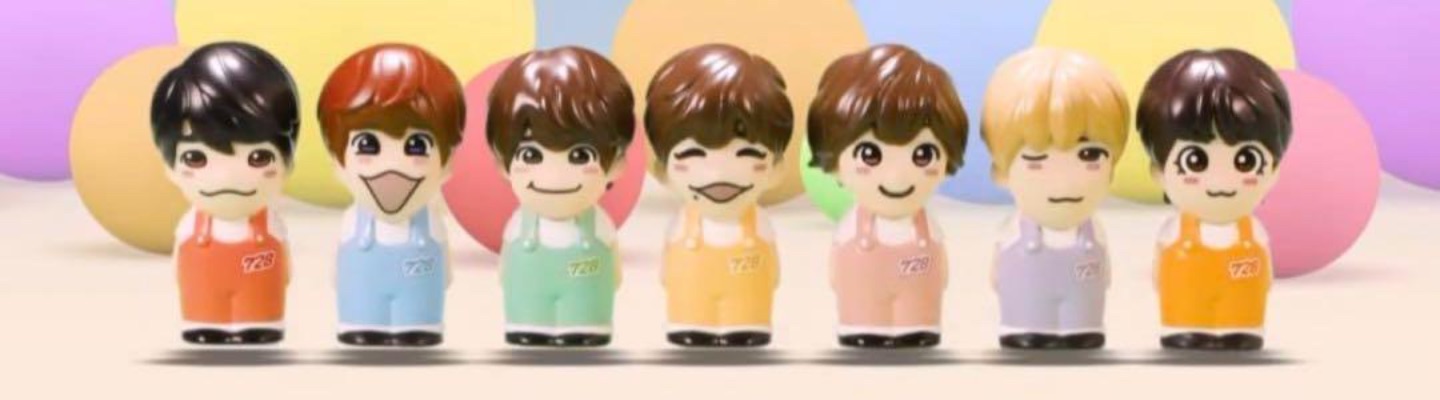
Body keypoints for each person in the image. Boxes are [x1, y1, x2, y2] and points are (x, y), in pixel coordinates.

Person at [807, 44, 968, 348]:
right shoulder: (850, 229)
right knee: (863, 318)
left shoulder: (928, 229)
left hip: (920, 307)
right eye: (870, 154)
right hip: (861, 306)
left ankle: (918, 327)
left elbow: (942, 272)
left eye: (923, 154)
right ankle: (863, 327)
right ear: (835, 161)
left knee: (918, 319)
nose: (897, 177)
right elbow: (836, 272)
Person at [1137, 49, 1292, 351]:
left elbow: (1266, 276)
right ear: (1159, 172)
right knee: (1186, 323)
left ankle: (1241, 330)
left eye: (1246, 161)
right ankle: (1186, 330)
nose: (1221, 181)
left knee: (1241, 323)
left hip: (1243, 312)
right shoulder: (1173, 233)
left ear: (1273, 171)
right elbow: (1159, 273)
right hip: (1184, 312)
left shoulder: (1254, 233)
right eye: (1195, 161)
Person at [318, 44, 466, 347]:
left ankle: (417, 326)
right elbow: (337, 270)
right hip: (360, 304)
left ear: (447, 163)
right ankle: (363, 325)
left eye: (417, 146)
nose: (392, 166)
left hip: (420, 306)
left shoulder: (431, 224)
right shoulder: (351, 222)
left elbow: (445, 272)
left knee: (418, 324)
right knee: (362, 321)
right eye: (367, 145)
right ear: (338, 161)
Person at [981, 48, 1129, 350]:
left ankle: (1081, 329)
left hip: (1084, 307)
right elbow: (997, 274)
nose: (1065, 180)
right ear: (1001, 172)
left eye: (1089, 155)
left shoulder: (1094, 233)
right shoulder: (1012, 233)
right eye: (1037, 158)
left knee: (1083, 322)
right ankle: (1027, 328)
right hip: (1024, 309)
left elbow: (1105, 273)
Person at [151, 42, 299, 345]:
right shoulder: (190, 226)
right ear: (170, 167)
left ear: (287, 163)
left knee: (259, 317)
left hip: (260, 297)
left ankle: (258, 324)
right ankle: (205, 324)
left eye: (259, 157)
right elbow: (178, 266)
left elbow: (285, 268)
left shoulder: (270, 225)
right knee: (204, 319)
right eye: (196, 158)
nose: (227, 177)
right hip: (202, 298)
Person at [645, 44, 793, 347]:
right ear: (663, 171)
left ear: (776, 169)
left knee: (747, 319)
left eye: (747, 154)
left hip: (749, 302)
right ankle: (692, 325)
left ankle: (746, 324)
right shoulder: (680, 224)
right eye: (693, 154)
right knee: (690, 320)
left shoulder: (760, 224)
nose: (719, 172)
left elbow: (773, 271)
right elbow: (665, 270)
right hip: (689, 301)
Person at [487, 46, 633, 347]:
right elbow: (506, 266)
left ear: (616, 164)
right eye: (531, 155)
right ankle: (529, 327)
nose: (554, 176)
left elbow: (614, 268)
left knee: (586, 321)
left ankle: (585, 327)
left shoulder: (600, 226)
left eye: (580, 155)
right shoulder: (518, 225)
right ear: (503, 164)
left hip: (587, 301)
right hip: (527, 302)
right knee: (528, 323)